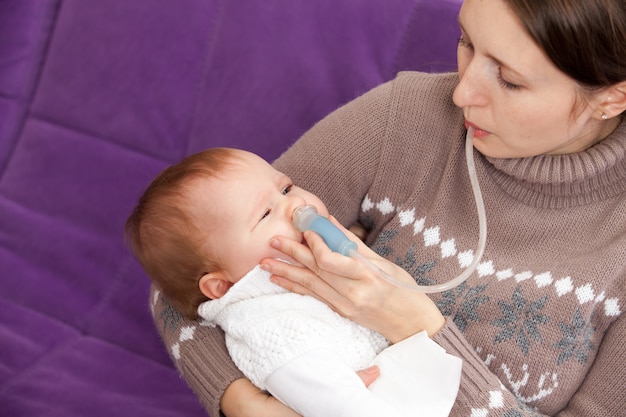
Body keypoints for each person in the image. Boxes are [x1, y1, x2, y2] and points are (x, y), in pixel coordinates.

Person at [151, 0, 626, 415]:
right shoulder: (404, 120)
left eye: (508, 79)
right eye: (466, 41)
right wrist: (239, 400)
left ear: (612, 97)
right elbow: (189, 268)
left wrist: (417, 328)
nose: (461, 93)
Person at [125, 148, 462, 417]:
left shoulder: (308, 271)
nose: (296, 204)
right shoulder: (274, 332)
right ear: (222, 286)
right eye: (265, 215)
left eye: (285, 188)